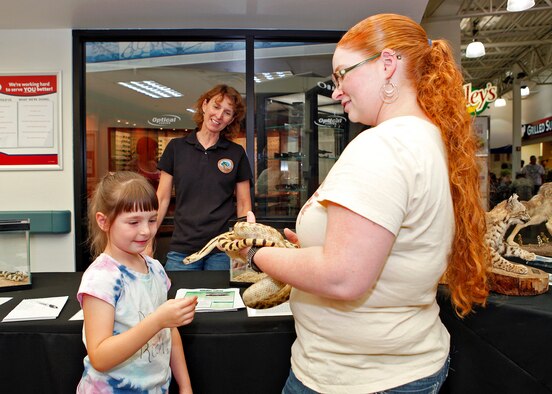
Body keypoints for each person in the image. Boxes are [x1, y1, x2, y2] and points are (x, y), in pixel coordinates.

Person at [241, 14, 489, 394]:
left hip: (355, 379)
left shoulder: (382, 146)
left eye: (343, 74)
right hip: (403, 366)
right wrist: (308, 252)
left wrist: (256, 254)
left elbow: (343, 276)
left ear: (387, 65)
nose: (336, 90)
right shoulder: (428, 140)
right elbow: (381, 253)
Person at [77, 171, 197, 393]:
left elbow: (170, 332)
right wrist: (158, 321)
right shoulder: (101, 279)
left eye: (152, 220)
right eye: (133, 222)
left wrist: (185, 385)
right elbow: (100, 356)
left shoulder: (156, 269)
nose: (145, 231)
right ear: (104, 221)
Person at [156, 84, 253, 271]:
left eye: (227, 112)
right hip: (182, 250)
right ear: (204, 105)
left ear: (231, 119)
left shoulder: (236, 153)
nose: (218, 116)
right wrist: (148, 237)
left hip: (223, 249)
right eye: (216, 107)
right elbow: (161, 199)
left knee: (222, 299)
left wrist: (243, 245)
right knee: (178, 299)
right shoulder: (176, 148)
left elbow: (243, 204)